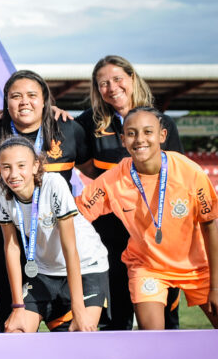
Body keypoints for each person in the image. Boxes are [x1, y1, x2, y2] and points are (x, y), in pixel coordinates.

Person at [0, 70, 92, 330]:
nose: (24, 102)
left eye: (32, 95)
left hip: (55, 244)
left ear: (45, 100)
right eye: (16, 96)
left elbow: (96, 172)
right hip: (5, 241)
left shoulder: (67, 128)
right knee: (12, 324)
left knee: (67, 328)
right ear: (6, 102)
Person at [77, 107, 218, 330]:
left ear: (162, 135)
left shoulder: (190, 172)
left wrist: (216, 287)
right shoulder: (113, 179)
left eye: (147, 132)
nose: (139, 139)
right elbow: (77, 215)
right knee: (153, 339)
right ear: (123, 140)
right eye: (132, 133)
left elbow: (211, 225)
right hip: (148, 267)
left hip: (198, 266)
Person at [76, 56, 185, 331]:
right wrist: (53, 111)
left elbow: (176, 175)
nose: (112, 87)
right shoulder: (89, 122)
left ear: (132, 78)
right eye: (103, 83)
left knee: (165, 307)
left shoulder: (161, 122)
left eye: (117, 79)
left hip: (154, 225)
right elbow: (72, 151)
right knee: (116, 305)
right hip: (110, 225)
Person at [0, 136, 110, 332]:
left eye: (21, 165)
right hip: (45, 270)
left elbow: (70, 248)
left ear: (36, 165)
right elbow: (11, 247)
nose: (13, 174)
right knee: (16, 332)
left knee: (82, 333)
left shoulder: (53, 184)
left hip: (86, 266)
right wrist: (18, 306)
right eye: (6, 167)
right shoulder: (0, 188)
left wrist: (78, 309)